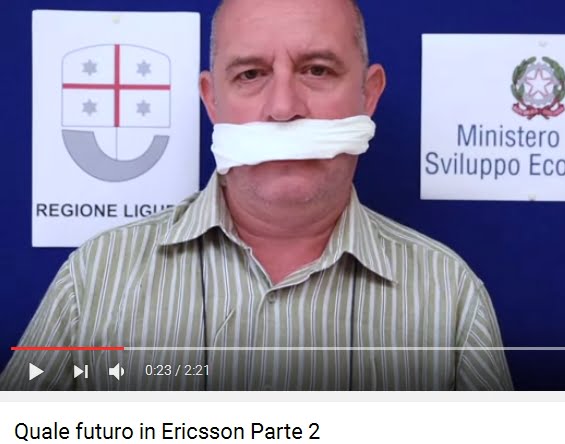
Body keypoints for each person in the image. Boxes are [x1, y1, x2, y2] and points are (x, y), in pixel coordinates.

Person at [1, 0, 512, 390]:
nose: (284, 108)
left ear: (369, 94)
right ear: (212, 102)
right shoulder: (96, 279)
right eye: (250, 74)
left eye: (317, 70)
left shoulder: (449, 297)